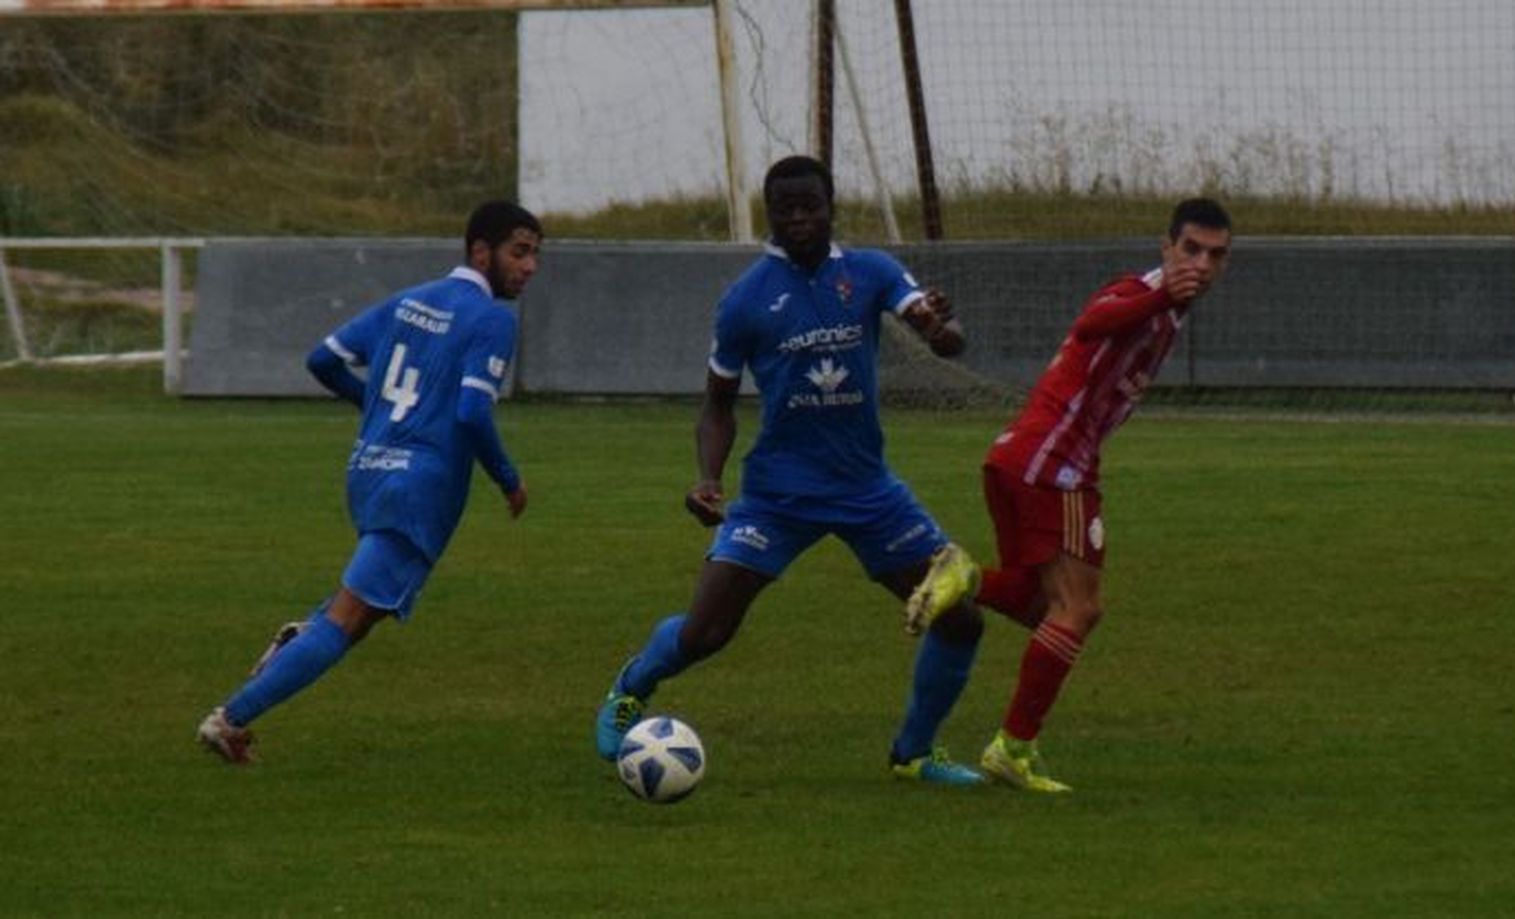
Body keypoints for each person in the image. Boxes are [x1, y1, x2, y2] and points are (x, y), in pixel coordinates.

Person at [593, 155, 988, 785]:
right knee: (705, 633)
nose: (800, 218)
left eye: (811, 206)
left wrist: (940, 328)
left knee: (960, 618)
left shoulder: (871, 271)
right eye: (786, 209)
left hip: (866, 489)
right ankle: (632, 686)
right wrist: (709, 478)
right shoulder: (746, 300)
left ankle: (913, 754)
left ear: (832, 208)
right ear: (770, 215)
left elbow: (946, 336)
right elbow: (717, 406)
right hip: (777, 496)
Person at [196, 200, 543, 764]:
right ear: (481, 251)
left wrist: (378, 411)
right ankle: (230, 720)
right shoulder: (493, 319)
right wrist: (509, 479)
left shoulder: (408, 301)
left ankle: (299, 640)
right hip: (420, 488)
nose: (530, 267)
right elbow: (472, 413)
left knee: (365, 611)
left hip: (368, 471)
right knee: (349, 618)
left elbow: (323, 359)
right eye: (520, 252)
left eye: (534, 255)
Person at [906, 197, 1233, 793]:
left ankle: (967, 579)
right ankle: (1013, 747)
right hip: (1053, 465)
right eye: (1191, 250)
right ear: (1166, 248)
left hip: (1017, 458)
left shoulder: (1167, 310)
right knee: (1079, 609)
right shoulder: (1141, 293)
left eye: (1216, 255)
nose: (1202, 265)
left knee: (1041, 603)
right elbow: (1093, 321)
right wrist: (1161, 294)